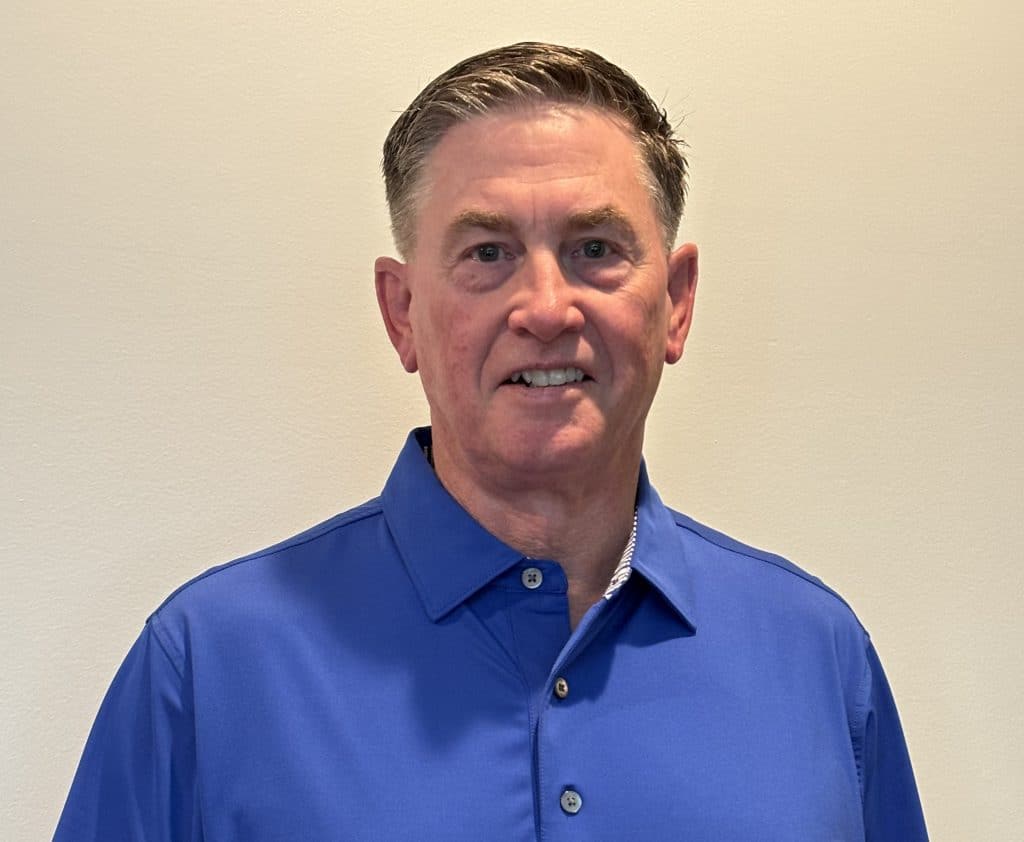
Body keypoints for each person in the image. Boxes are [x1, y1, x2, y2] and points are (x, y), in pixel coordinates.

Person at [55, 43, 928, 840]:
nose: (547, 308)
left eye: (595, 248)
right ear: (402, 314)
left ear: (678, 302)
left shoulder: (818, 658)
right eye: (486, 253)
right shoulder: (207, 670)